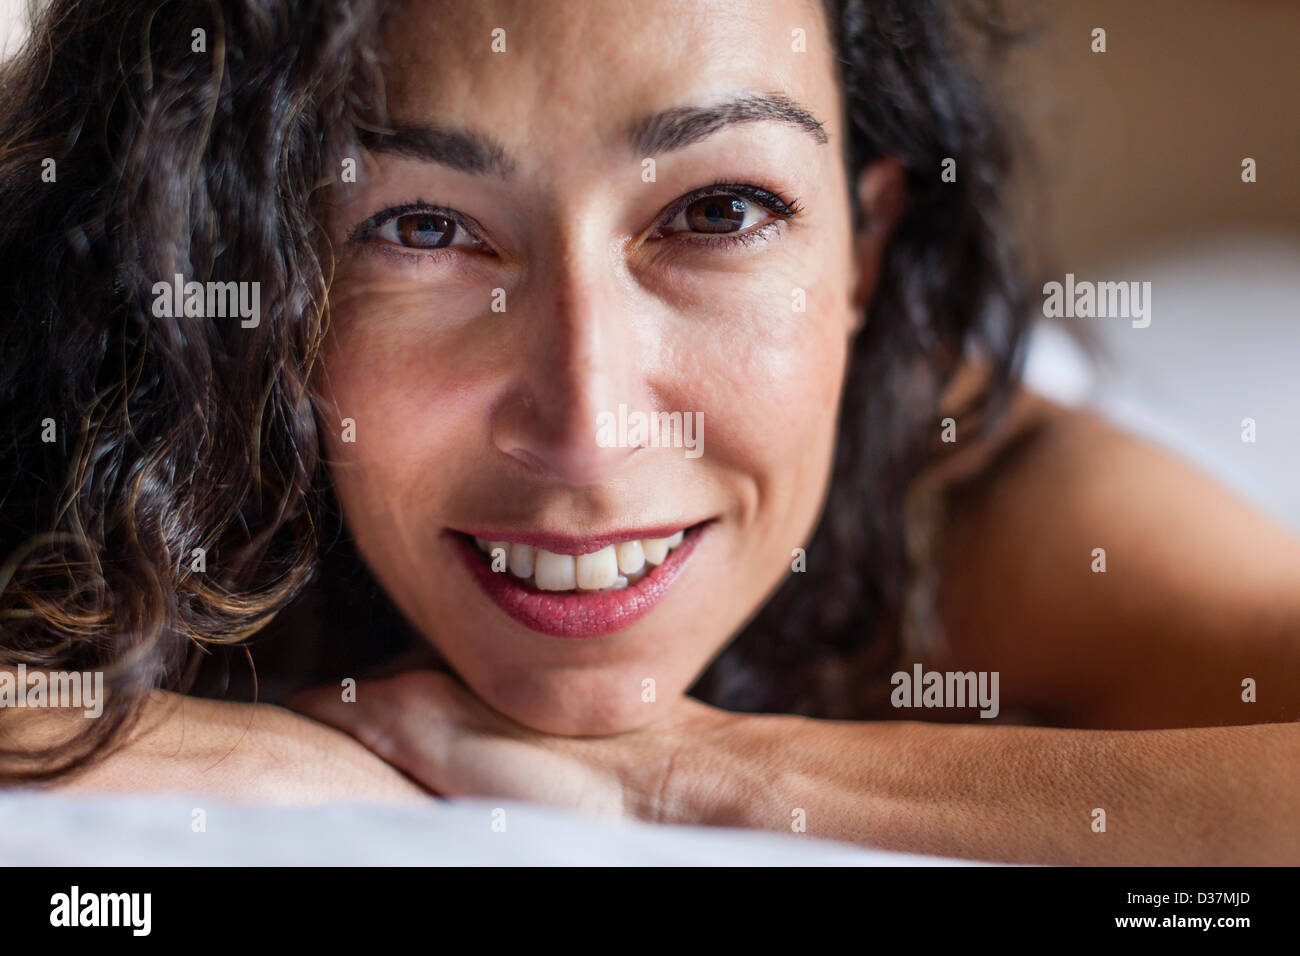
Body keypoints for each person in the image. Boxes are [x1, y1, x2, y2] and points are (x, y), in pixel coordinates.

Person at [1, 0, 1296, 863]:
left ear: (865, 247)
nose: (589, 425)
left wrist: (688, 777)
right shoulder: (101, 409)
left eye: (722, 210)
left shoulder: (984, 492)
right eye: (424, 227)